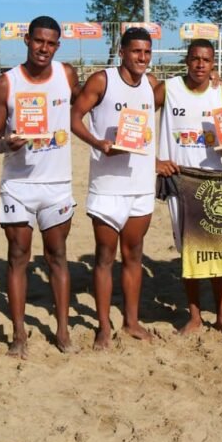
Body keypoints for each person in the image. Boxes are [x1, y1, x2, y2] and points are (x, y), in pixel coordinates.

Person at [0, 15, 80, 358]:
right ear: (27, 40)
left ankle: (63, 331)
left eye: (51, 43)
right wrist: (6, 144)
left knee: (57, 257)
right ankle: (18, 333)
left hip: (57, 185)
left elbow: (90, 102)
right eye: (39, 41)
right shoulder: (6, 83)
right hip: (18, 186)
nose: (44, 48)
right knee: (18, 257)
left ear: (58, 46)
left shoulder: (66, 75)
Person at [71, 27, 158, 349]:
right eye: (136, 51)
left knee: (134, 256)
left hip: (141, 185)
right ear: (122, 52)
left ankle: (131, 322)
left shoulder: (151, 84)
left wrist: (215, 80)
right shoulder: (102, 80)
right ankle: (104, 325)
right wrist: (98, 143)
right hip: (107, 186)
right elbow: (74, 118)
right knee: (105, 257)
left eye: (146, 52)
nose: (142, 57)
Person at [155, 39, 222, 336]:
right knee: (189, 252)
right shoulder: (168, 88)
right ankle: (194, 316)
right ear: (186, 60)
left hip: (215, 180)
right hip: (179, 180)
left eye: (206, 60)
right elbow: (139, 114)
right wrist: (155, 160)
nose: (200, 64)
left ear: (213, 63)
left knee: (219, 253)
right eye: (195, 58)